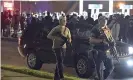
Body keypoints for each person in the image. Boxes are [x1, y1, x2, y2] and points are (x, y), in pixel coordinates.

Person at [47, 15, 72, 80]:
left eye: (65, 20)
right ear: (60, 21)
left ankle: (56, 77)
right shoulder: (56, 28)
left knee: (60, 62)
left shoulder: (67, 29)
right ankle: (61, 76)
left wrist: (68, 41)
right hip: (56, 47)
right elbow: (49, 36)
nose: (65, 21)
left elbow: (69, 38)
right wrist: (57, 38)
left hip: (64, 47)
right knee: (60, 61)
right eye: (64, 20)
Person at [90, 16, 114, 80]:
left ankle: (101, 78)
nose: (105, 24)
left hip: (106, 51)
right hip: (97, 51)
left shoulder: (106, 28)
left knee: (110, 67)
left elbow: (110, 39)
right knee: (99, 69)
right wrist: (101, 41)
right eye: (103, 22)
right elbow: (91, 40)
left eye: (106, 22)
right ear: (99, 21)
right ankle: (99, 78)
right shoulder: (95, 29)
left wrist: (112, 43)